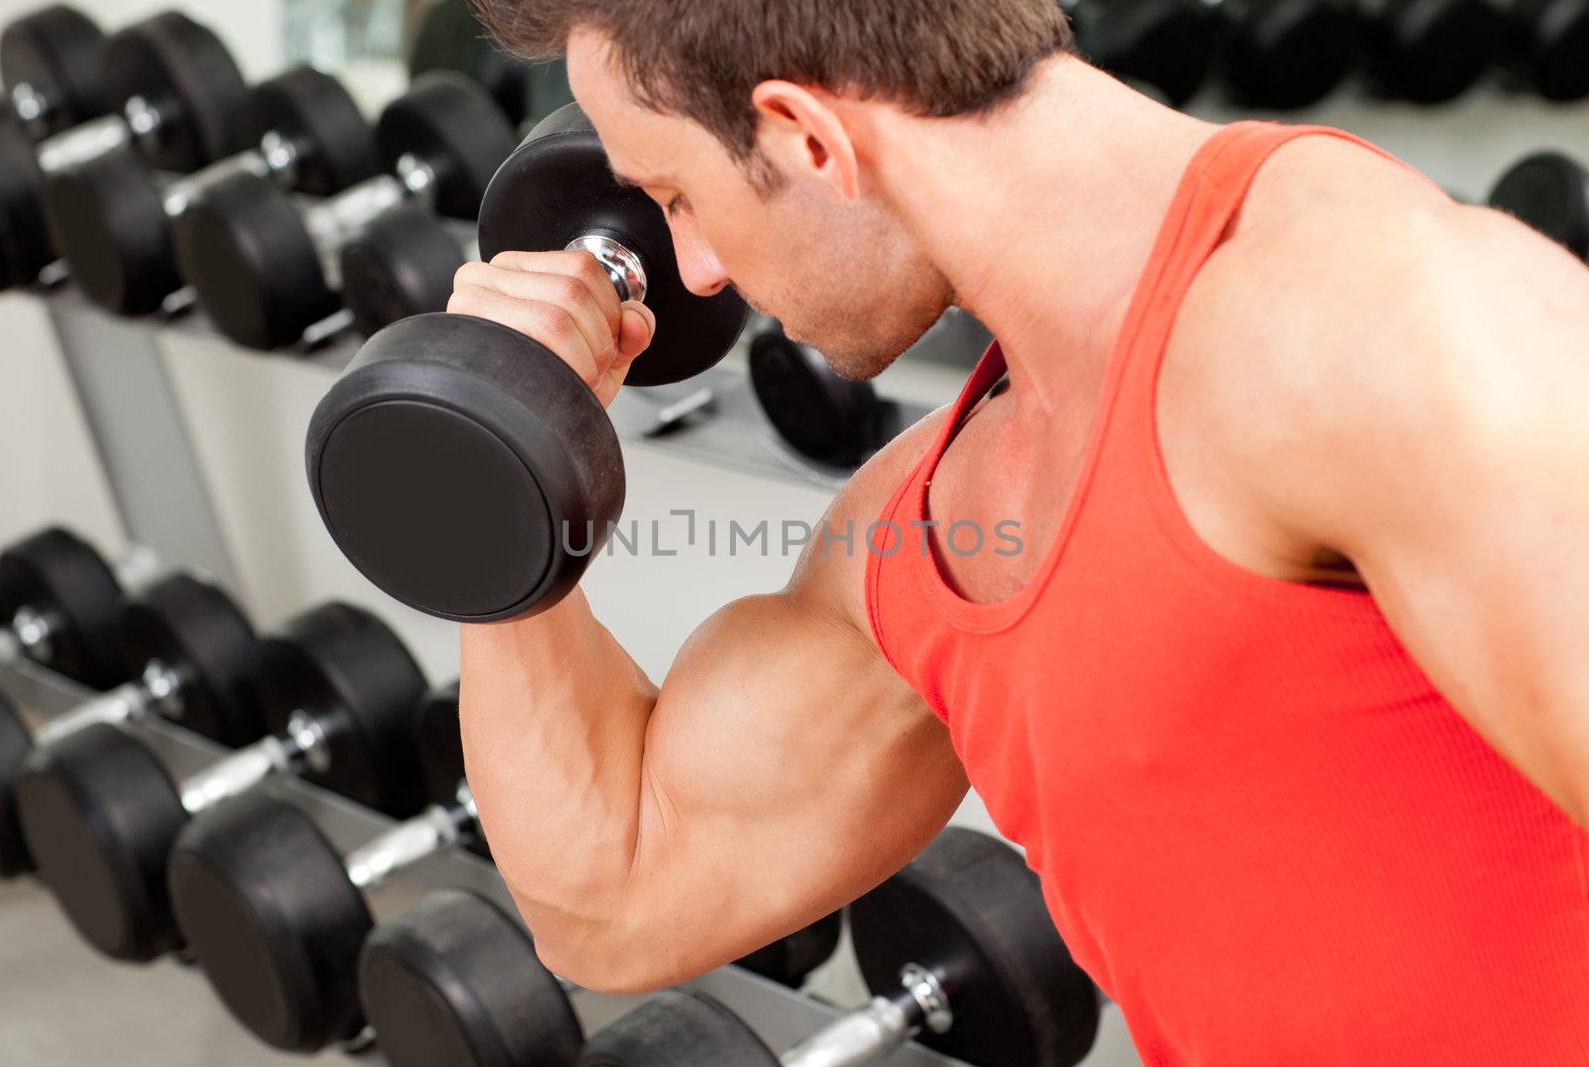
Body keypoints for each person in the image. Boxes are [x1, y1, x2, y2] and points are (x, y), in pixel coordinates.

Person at [449, 1, 1589, 1061]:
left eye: (680, 196)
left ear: (804, 136)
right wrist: (502, 447)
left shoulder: (1368, 321)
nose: (693, 270)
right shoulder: (934, 528)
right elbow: (614, 895)